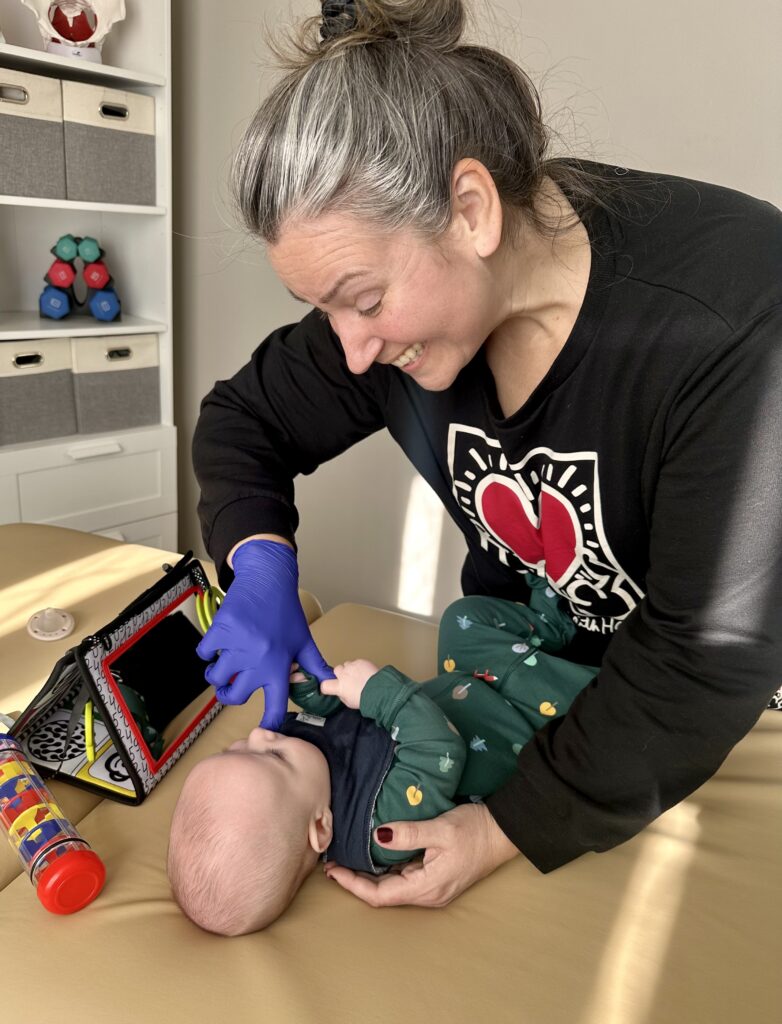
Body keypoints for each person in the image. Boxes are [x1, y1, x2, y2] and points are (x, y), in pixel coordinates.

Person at [192, 0, 782, 907]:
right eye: (326, 311)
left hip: (715, 698)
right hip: (530, 671)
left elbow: (705, 658)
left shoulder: (731, 317)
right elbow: (243, 421)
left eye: (363, 299)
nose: (349, 351)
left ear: (471, 210)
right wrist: (260, 560)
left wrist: (505, 828)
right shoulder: (384, 331)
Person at [169, 581, 597, 934]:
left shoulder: (303, 780)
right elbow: (439, 752)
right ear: (321, 826)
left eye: (236, 748)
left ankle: (556, 621)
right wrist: (379, 694)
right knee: (581, 698)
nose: (260, 734)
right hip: (523, 725)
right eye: (273, 756)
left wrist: (310, 691)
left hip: (468, 685)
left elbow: (340, 723)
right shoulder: (377, 826)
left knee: (461, 619)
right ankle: (593, 640)